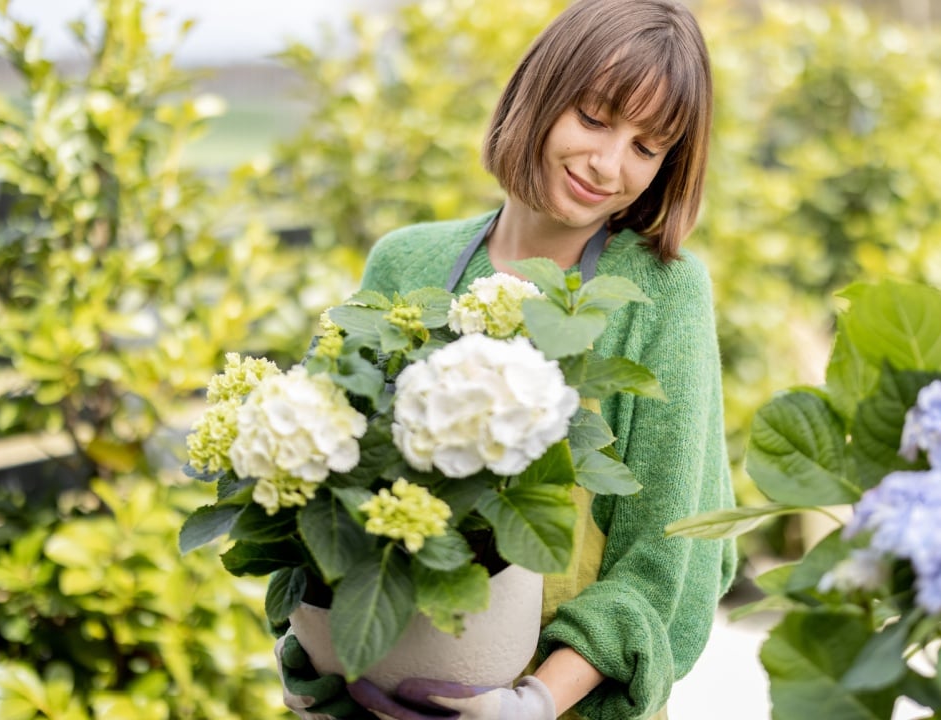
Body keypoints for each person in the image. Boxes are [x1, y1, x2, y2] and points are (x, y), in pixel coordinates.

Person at [279, 0, 737, 718]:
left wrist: (529, 703)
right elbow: (306, 497)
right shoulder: (408, 262)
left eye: (648, 147)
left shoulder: (662, 294)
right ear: (540, 92)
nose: (608, 165)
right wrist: (312, 659)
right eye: (593, 117)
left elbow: (669, 559)